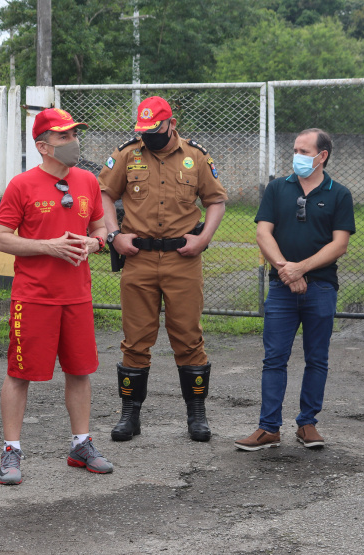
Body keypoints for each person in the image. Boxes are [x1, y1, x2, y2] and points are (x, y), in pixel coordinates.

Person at [0, 108, 114, 484]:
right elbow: (0, 238)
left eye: (75, 134)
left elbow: (100, 229)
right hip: (33, 298)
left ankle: (81, 444)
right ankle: (11, 451)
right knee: (19, 373)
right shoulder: (21, 185)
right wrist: (48, 246)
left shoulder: (87, 181)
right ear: (43, 147)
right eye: (65, 137)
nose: (74, 142)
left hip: (76, 296)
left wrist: (93, 245)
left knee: (80, 371)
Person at [99, 96, 227, 442]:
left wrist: (203, 240)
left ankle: (196, 415)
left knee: (188, 337)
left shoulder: (195, 157)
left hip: (182, 260)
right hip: (138, 259)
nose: (148, 137)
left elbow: (215, 201)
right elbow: (104, 195)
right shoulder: (128, 154)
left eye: (154, 130)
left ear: (171, 123)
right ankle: (129, 415)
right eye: (143, 131)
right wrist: (114, 235)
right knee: (136, 340)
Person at [234, 129, 355, 452]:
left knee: (317, 358)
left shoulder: (339, 194)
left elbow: (339, 244)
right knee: (274, 358)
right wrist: (287, 269)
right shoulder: (277, 189)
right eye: (295, 150)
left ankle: (307, 424)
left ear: (322, 156)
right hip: (282, 288)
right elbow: (263, 233)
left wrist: (302, 268)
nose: (297, 156)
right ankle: (268, 427)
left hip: (321, 289)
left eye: (304, 150)